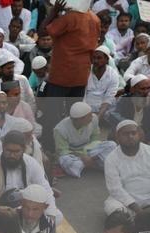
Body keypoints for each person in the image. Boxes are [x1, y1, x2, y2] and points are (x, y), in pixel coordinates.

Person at [37, 0, 101, 152]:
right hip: (81, 72)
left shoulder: (69, 18)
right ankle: (76, 146)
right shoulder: (95, 19)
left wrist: (54, 11)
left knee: (53, 113)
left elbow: (42, 32)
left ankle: (50, 148)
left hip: (62, 73)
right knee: (76, 114)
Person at [0, 131, 62, 230]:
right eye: (8, 151)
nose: (12, 155)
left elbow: (45, 189)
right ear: (3, 147)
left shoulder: (31, 163)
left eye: (16, 152)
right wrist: (7, 218)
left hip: (25, 211)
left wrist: (50, 219)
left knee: (57, 215)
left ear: (24, 149)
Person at [54, 102, 117, 178]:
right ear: (79, 120)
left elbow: (95, 136)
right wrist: (81, 156)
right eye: (89, 116)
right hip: (74, 155)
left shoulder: (93, 119)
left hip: (90, 150)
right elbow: (61, 151)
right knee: (65, 161)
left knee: (112, 145)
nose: (92, 117)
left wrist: (91, 153)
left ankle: (87, 163)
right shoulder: (60, 130)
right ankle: (95, 166)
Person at [104, 120, 150, 215]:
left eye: (133, 133)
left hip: (148, 197)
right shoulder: (111, 159)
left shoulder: (148, 151)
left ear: (139, 134)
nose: (130, 137)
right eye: (125, 134)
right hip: (125, 200)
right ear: (118, 136)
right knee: (113, 209)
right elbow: (115, 187)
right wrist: (136, 208)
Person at [84, 46, 121, 121]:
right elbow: (82, 94)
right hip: (86, 105)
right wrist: (86, 112)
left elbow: (109, 97)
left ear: (106, 59)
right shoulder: (86, 71)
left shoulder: (113, 74)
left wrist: (99, 116)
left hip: (104, 108)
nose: (95, 61)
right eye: (94, 58)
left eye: (99, 58)